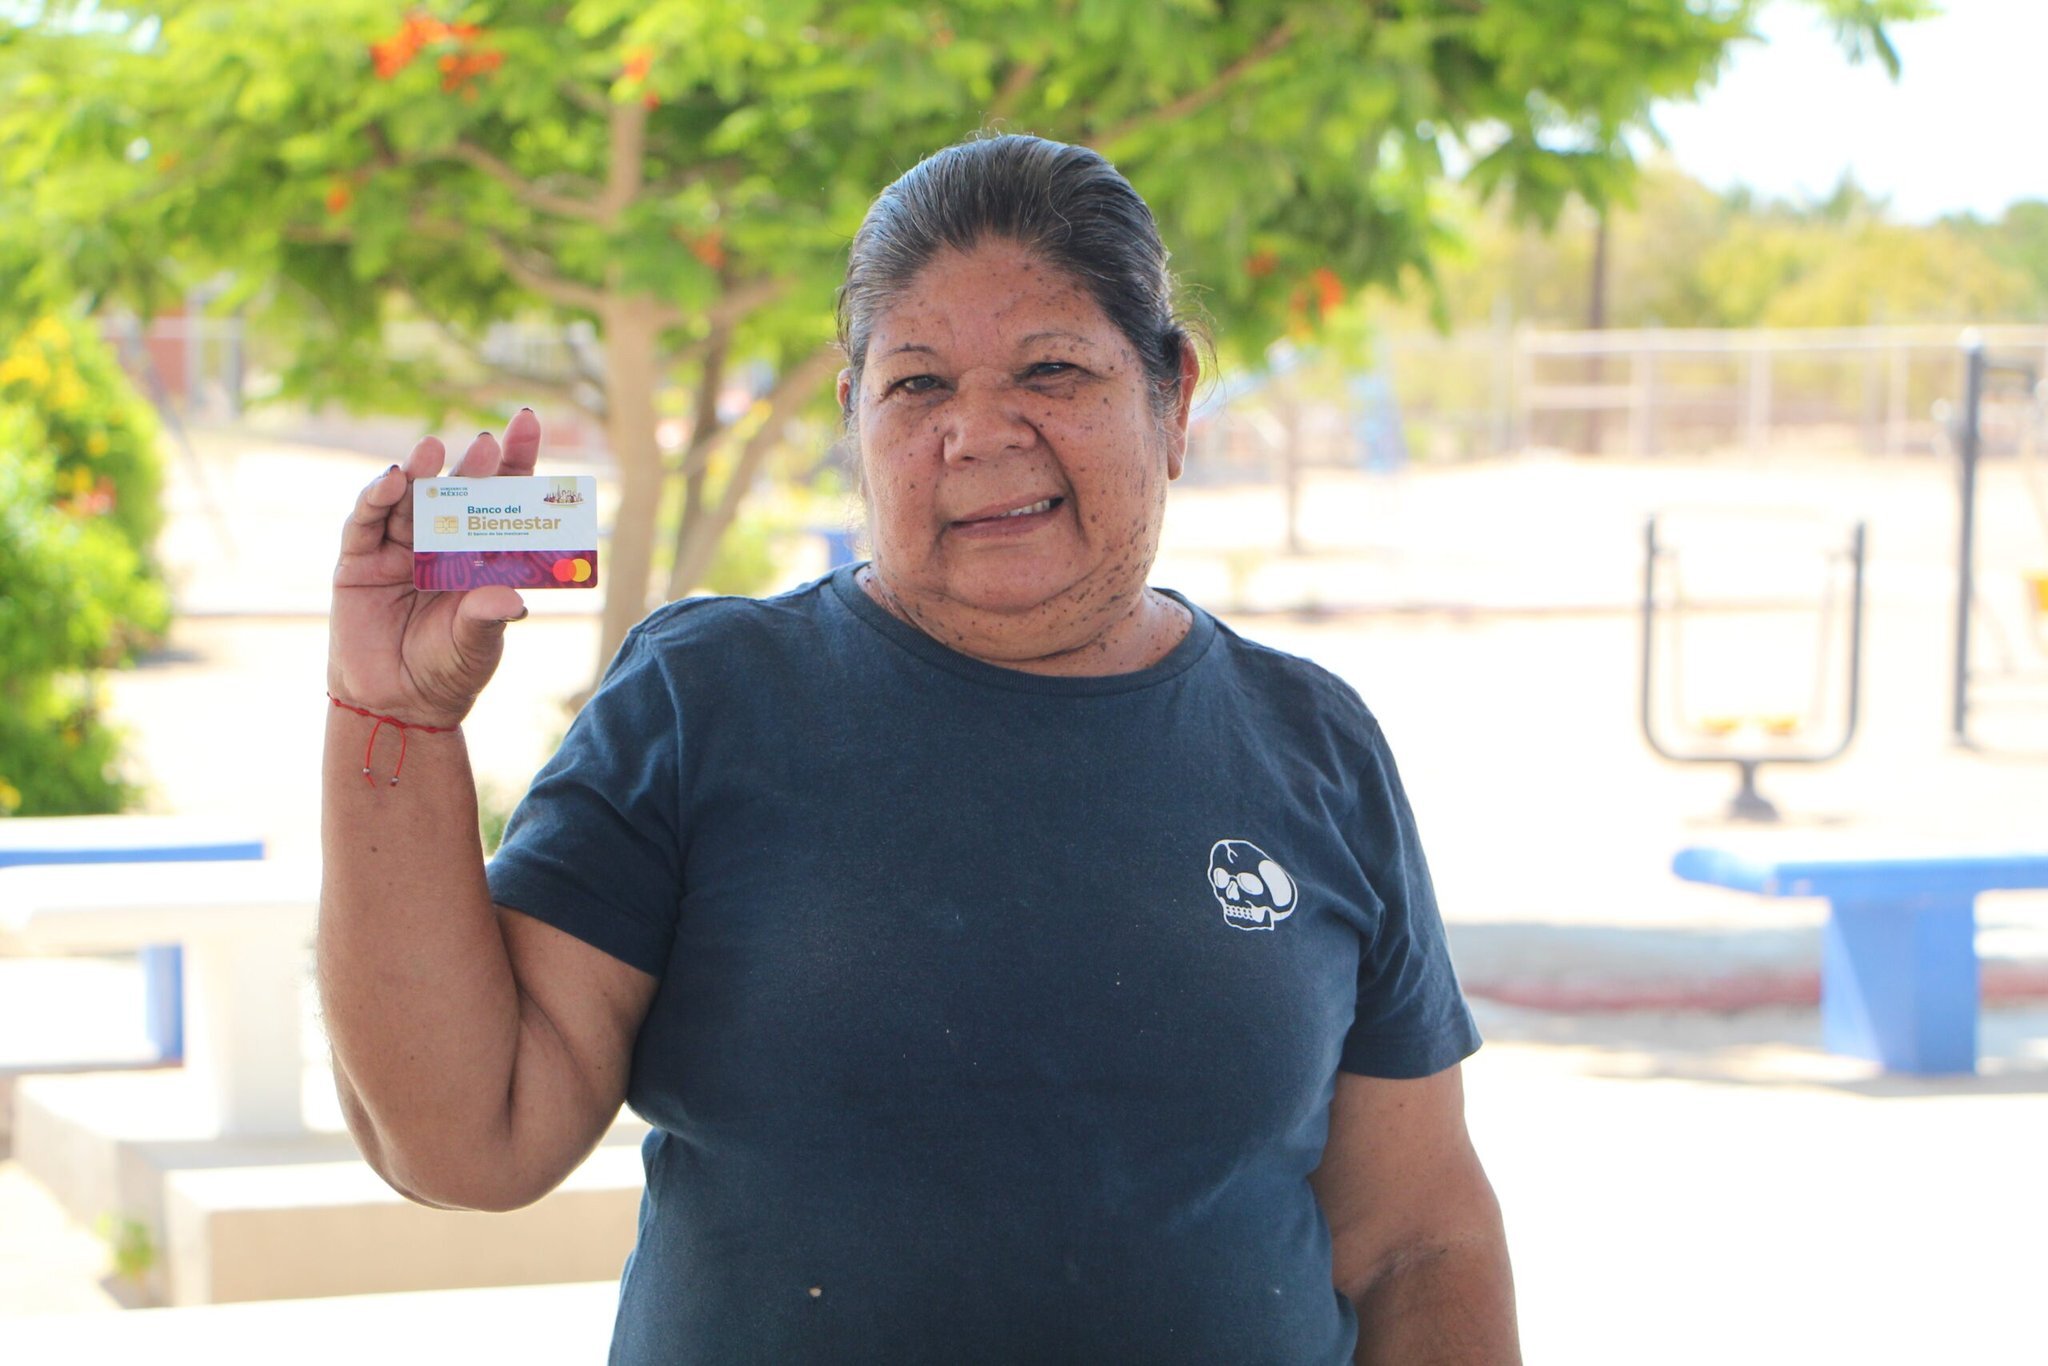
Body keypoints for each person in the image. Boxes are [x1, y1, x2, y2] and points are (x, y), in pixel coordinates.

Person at [320, 133, 1518, 1364]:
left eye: (1050, 369)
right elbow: (466, 1138)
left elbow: (1417, 1238)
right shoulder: (704, 700)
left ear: (1173, 399)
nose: (978, 432)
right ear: (853, 419)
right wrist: (394, 719)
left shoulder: (1310, 741)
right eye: (917, 384)